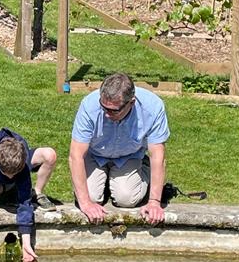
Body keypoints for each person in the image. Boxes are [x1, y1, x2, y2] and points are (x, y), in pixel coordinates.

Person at [69, 72, 169, 226]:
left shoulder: (153, 107)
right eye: (104, 107)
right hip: (95, 154)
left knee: (127, 199)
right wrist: (85, 203)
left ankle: (144, 170)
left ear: (132, 102)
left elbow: (158, 155)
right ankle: (106, 183)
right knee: (92, 197)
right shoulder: (89, 105)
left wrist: (154, 202)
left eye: (114, 110)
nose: (107, 114)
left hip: (129, 155)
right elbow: (76, 155)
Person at [0, 129, 57, 262]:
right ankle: (2, 189)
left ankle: (30, 191)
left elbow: (25, 204)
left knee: (19, 185)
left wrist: (26, 243)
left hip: (15, 176)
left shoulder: (23, 161)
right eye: (7, 174)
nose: (10, 177)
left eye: (13, 174)